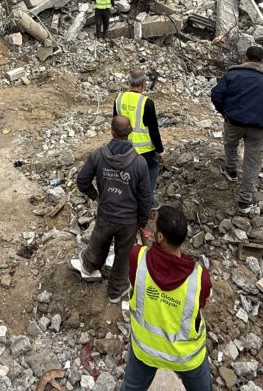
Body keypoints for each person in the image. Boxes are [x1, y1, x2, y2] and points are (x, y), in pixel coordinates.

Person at [123, 205, 212, 391]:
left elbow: (135, 281)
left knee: (131, 388)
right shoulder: (199, 277)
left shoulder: (137, 258)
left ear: (161, 237)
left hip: (145, 350)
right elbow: (199, 306)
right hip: (185, 355)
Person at [72, 115, 154, 303]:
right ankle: (115, 292)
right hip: (128, 220)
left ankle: (89, 266)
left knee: (98, 242)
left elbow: (82, 180)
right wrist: (142, 220)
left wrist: (97, 196)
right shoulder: (139, 163)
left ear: (112, 132)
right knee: (123, 256)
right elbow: (145, 197)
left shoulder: (98, 155)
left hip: (106, 214)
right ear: (130, 132)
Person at [210, 45, 263, 214]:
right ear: (262, 60)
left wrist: (225, 112)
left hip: (234, 122)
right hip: (259, 130)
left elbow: (216, 94)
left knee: (230, 144)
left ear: (245, 57)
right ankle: (245, 201)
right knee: (252, 162)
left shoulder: (233, 74)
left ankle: (231, 169)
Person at [114, 68, 164, 198]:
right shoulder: (146, 102)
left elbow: (115, 123)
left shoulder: (119, 98)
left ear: (129, 82)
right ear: (143, 83)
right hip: (145, 151)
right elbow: (153, 130)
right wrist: (160, 150)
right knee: (152, 168)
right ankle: (148, 198)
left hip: (123, 148)